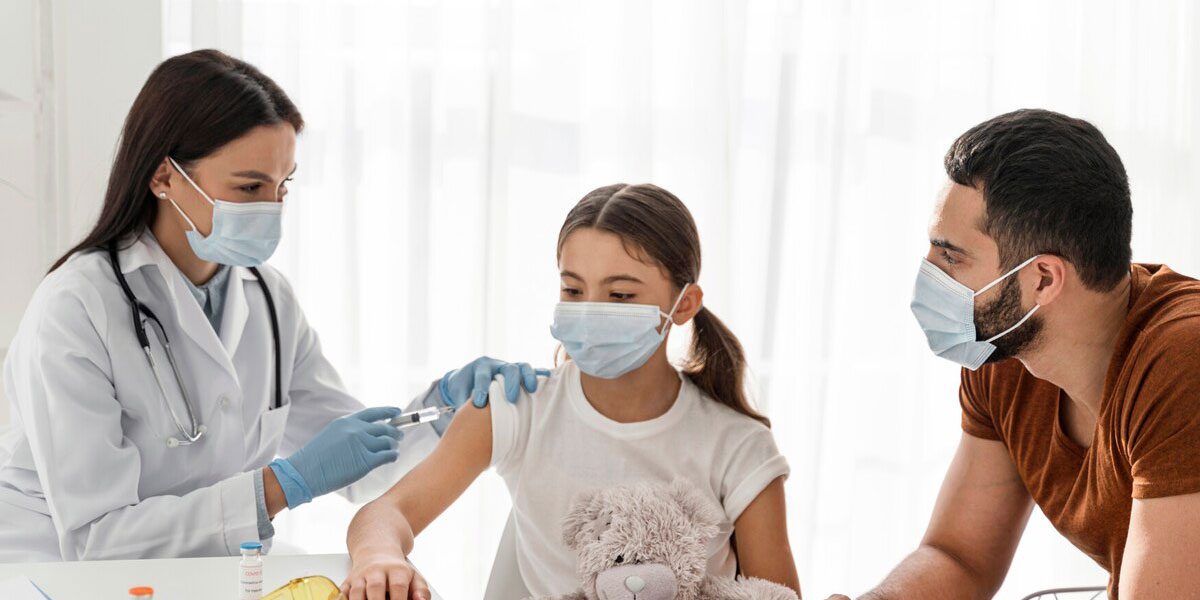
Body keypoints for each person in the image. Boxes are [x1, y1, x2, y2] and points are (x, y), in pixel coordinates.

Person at [0, 49, 538, 561]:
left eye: (282, 187)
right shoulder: (76, 309)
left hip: (217, 566)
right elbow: (99, 540)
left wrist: (442, 410)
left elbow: (361, 467)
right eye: (250, 186)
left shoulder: (267, 300)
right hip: (60, 574)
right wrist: (285, 483)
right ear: (165, 177)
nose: (270, 208)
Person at [340, 183, 800, 600]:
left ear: (684, 305)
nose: (591, 311)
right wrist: (380, 555)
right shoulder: (518, 408)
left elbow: (776, 595)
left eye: (621, 296)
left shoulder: (738, 445)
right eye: (573, 289)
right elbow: (387, 513)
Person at [828, 109, 1200, 599]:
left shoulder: (1181, 361)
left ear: (1043, 278)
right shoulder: (1004, 349)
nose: (929, 273)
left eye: (951, 256)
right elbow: (960, 556)